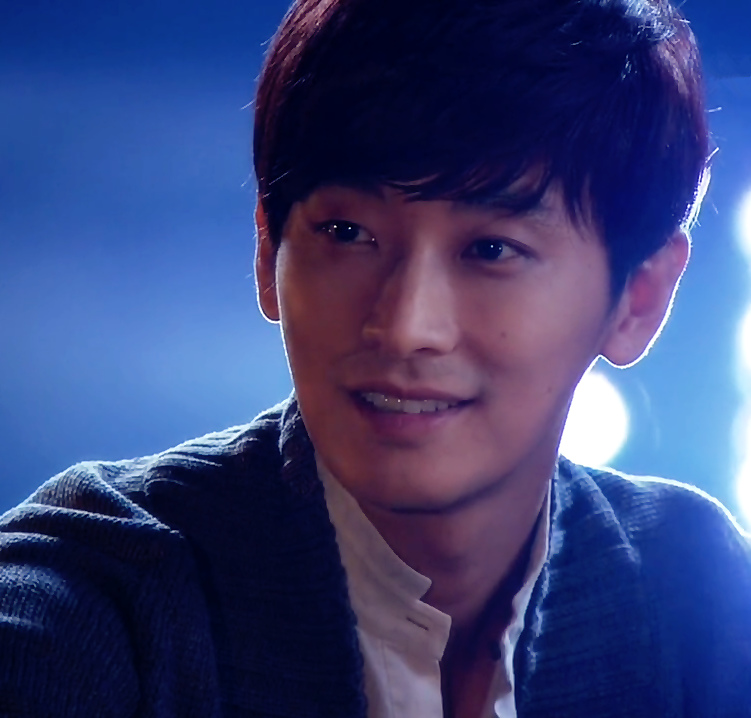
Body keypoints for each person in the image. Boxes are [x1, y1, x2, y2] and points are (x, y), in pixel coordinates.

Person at [1, 0, 750, 715]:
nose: (403, 326)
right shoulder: (94, 601)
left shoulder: (699, 596)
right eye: (347, 234)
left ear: (638, 298)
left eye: (491, 249)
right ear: (267, 252)